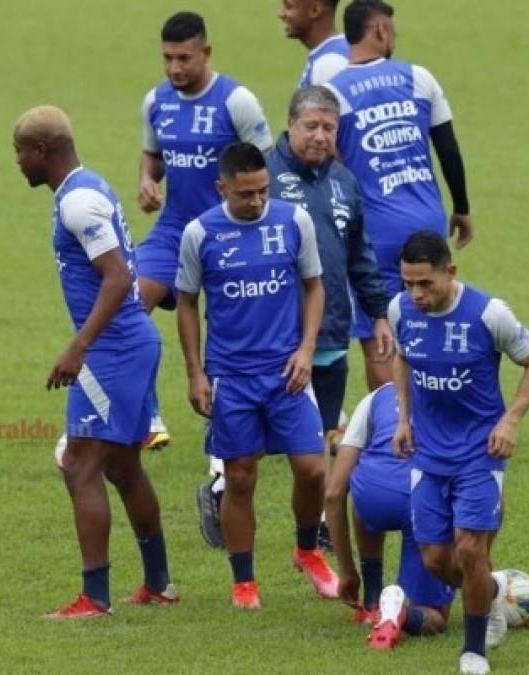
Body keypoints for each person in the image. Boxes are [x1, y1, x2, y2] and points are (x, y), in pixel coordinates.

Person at [195, 86, 393, 550]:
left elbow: (359, 255)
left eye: (330, 127)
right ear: (290, 126)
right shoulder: (263, 177)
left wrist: (379, 313)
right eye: (312, 126)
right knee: (255, 446)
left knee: (318, 444)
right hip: (271, 342)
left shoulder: (345, 182)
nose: (321, 136)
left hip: (330, 336)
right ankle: (222, 487)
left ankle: (317, 530)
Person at [13, 105, 177, 618]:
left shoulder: (78, 203)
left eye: (20, 152)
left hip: (114, 350)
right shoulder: (88, 187)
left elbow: (118, 277)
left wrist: (78, 346)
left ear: (42, 152)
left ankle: (95, 597)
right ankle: (159, 585)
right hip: (126, 344)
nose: (17, 162)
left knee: (80, 464)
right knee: (124, 466)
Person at [175, 142, 338, 608]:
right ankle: (244, 582)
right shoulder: (199, 234)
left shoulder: (293, 221)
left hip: (286, 372)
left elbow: (314, 286)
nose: (257, 201)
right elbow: (186, 303)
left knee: (312, 469)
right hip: (231, 376)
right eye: (246, 194)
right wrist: (195, 373)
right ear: (221, 188)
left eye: (263, 191)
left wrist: (307, 350)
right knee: (241, 477)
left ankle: (307, 550)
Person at [390, 231, 529, 675]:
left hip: (480, 451)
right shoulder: (400, 310)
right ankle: (493, 595)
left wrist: (510, 420)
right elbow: (401, 358)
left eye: (426, 284)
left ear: (450, 272)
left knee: (469, 551)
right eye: (409, 284)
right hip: (429, 451)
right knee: (435, 560)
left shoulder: (488, 313)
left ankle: (474, 649)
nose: (416, 294)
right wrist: (404, 419)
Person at [137, 11, 274, 448]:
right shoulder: (156, 101)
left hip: (228, 233)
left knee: (234, 332)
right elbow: (154, 157)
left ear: (206, 53)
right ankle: (147, 419)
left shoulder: (237, 102)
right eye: (167, 58)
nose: (175, 68)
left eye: (184, 58)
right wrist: (146, 180)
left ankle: (248, 422)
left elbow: (268, 169)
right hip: (174, 229)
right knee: (125, 308)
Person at [324, 0, 475, 390]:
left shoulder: (332, 92)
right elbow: (448, 148)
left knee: (380, 334)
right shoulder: (419, 77)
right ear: (379, 31)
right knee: (430, 319)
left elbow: (331, 166)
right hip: (427, 223)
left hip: (374, 232)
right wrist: (461, 207)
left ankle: (391, 432)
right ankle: (435, 413)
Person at [325, 382, 454, 650]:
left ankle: (372, 602)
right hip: (423, 499)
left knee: (365, 480)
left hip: (374, 496)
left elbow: (334, 494)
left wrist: (347, 572)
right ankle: (400, 613)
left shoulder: (376, 397)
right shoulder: (455, 390)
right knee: (437, 615)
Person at [278, 0, 349, 88]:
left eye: (288, 7)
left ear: (314, 11)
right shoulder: (334, 51)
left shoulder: (329, 65)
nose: (280, 14)